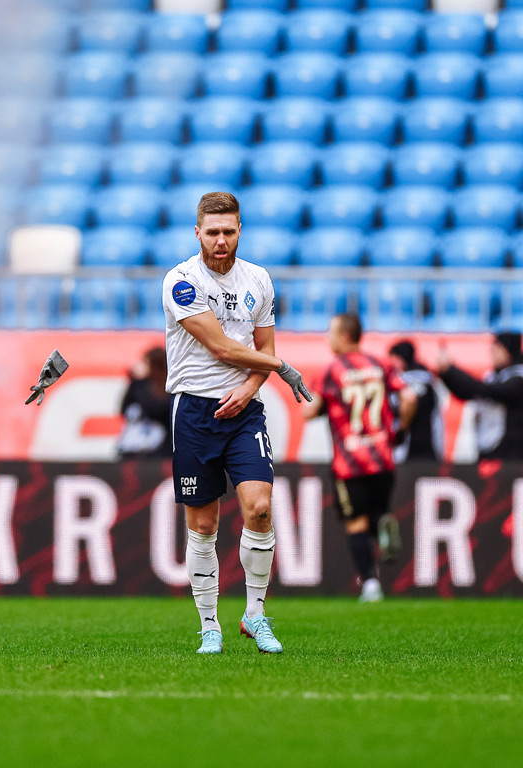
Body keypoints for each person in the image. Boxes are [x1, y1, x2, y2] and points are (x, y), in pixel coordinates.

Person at [162, 191, 311, 655]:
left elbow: (260, 352)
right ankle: (210, 624)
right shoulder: (181, 280)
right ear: (197, 232)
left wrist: (250, 389)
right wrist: (282, 366)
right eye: (212, 232)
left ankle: (255, 613)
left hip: (245, 412)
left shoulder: (259, 280)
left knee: (260, 508)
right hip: (194, 412)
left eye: (229, 231)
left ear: (240, 229)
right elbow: (223, 348)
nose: (221, 241)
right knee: (203, 525)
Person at [304, 314, 417, 603]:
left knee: (356, 522)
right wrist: (400, 430)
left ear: (344, 336)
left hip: (350, 462)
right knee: (376, 512)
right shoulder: (380, 365)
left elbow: (309, 411)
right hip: (382, 456)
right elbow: (409, 398)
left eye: (330, 332)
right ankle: (383, 523)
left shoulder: (332, 371)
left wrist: (324, 406)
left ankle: (370, 584)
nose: (328, 338)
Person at [437, 331, 523, 460]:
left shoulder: (518, 379)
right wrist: (446, 375)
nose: (493, 354)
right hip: (490, 449)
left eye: (497, 350)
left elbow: (485, 390)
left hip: (512, 455)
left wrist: (451, 370)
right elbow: (467, 393)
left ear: (508, 351)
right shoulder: (494, 376)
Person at [388, 340, 442, 462]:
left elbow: (409, 400)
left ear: (399, 359)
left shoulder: (402, 383)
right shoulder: (430, 381)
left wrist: (401, 430)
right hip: (430, 446)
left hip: (408, 450)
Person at [117, 346, 171, 458]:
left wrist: (139, 382)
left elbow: (155, 410)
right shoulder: (138, 386)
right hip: (135, 448)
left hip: (162, 450)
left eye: (145, 362)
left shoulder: (169, 388)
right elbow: (124, 410)